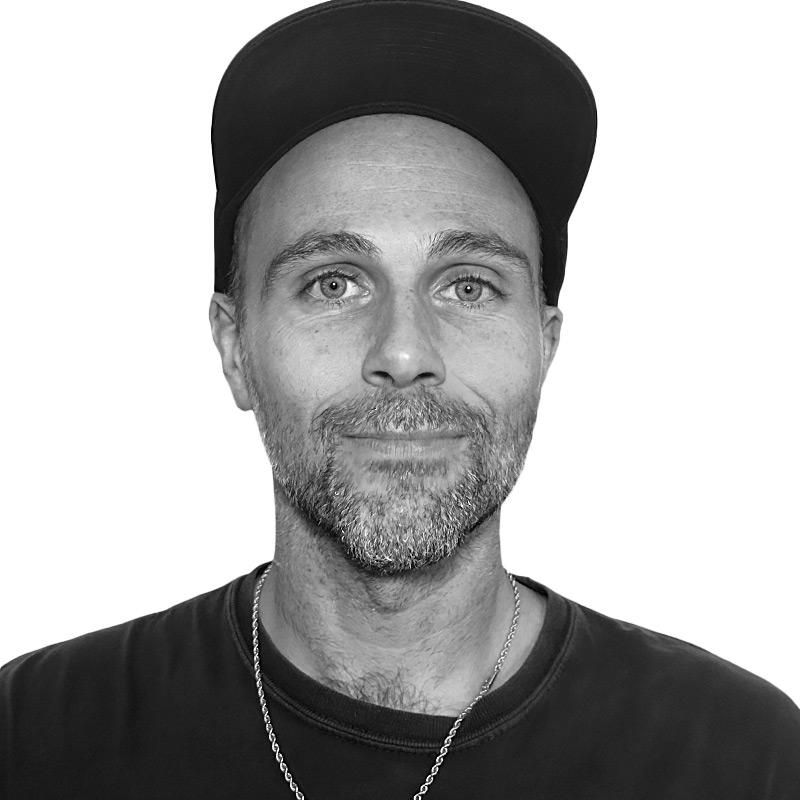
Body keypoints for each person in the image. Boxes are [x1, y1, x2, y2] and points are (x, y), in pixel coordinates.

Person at [2, 1, 798, 797]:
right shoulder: (34, 738)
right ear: (235, 347)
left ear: (544, 345)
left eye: (468, 286)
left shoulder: (741, 759)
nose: (405, 353)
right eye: (334, 283)